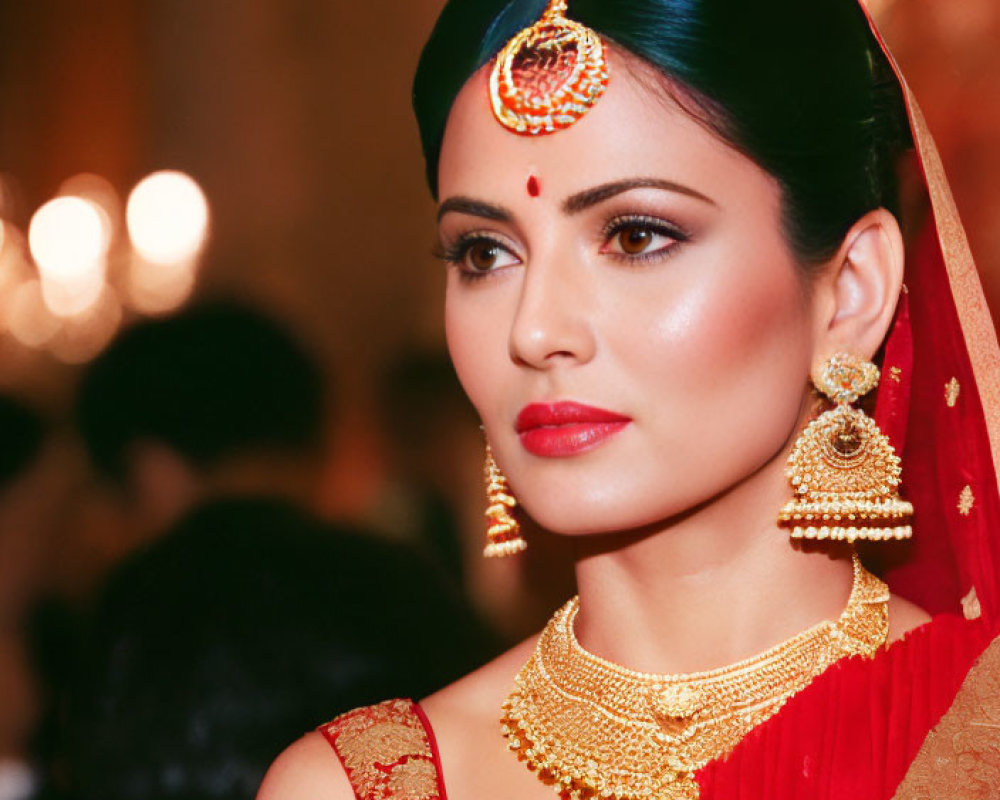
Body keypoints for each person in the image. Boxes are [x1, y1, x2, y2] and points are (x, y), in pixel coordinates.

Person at [259, 1, 1000, 798]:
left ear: (851, 292)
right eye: (484, 252)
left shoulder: (976, 745)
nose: (535, 331)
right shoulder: (361, 786)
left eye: (636, 236)